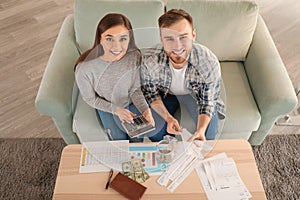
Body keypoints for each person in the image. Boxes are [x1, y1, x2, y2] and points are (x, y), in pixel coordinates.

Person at [141, 9, 225, 142]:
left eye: (183, 37)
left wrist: (200, 130)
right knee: (156, 134)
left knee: (209, 132)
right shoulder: (150, 60)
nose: (177, 46)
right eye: (169, 39)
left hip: (194, 95)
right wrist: (168, 118)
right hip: (166, 94)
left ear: (193, 35)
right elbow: (151, 94)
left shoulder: (208, 62)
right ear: (162, 40)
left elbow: (207, 101)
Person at [75, 13, 154, 142]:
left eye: (123, 39)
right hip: (106, 104)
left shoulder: (134, 56)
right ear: (100, 39)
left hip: (130, 102)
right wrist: (115, 110)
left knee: (137, 139)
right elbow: (90, 98)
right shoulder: (84, 68)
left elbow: (135, 89)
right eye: (109, 39)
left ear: (130, 39)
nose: (117, 47)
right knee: (118, 140)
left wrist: (145, 110)